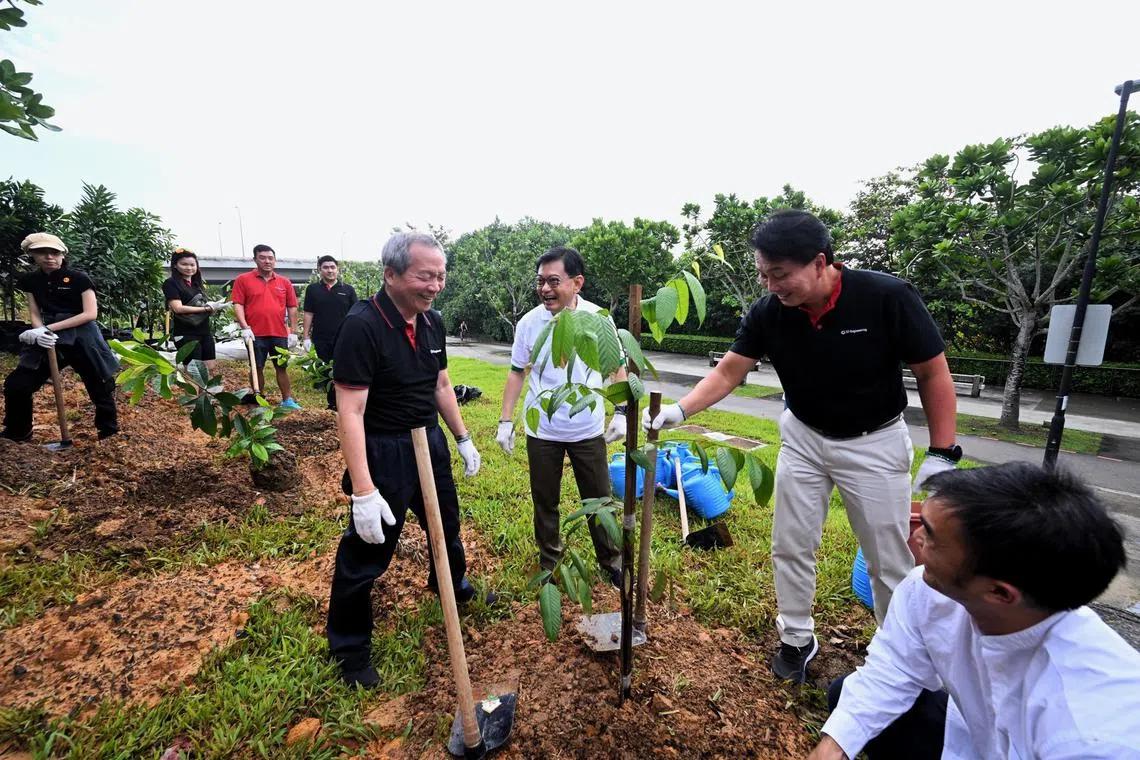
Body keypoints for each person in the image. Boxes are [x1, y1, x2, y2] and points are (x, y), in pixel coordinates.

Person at [644, 209, 960, 683]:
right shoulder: (770, 313)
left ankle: (898, 652)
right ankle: (796, 637)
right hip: (804, 440)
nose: (772, 285)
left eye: (780, 274)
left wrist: (943, 451)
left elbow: (932, 371)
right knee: (790, 545)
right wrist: (681, 410)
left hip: (873, 442)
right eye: (763, 274)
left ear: (819, 262)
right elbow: (730, 370)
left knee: (887, 557)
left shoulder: (886, 297)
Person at [808, 462, 1140, 760]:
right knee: (849, 702)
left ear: (998, 592)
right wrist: (831, 748)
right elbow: (894, 667)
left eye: (931, 535)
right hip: (973, 741)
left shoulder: (1091, 730)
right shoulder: (927, 590)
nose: (917, 537)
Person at [326, 231, 495, 688]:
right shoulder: (362, 326)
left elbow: (441, 385)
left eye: (440, 275)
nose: (436, 284)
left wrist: (462, 438)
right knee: (368, 552)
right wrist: (364, 489)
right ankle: (348, 647)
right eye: (425, 275)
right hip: (385, 449)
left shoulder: (433, 321)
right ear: (391, 274)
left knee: (447, 525)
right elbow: (351, 411)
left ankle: (451, 585)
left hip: (430, 442)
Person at [497, 246, 626, 587]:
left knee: (599, 500)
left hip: (587, 428)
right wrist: (506, 420)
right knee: (545, 501)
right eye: (540, 281)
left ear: (577, 282)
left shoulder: (598, 319)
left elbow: (615, 366)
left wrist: (622, 412)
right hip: (543, 431)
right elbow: (516, 372)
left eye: (553, 281)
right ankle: (550, 564)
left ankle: (612, 560)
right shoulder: (529, 323)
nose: (545, 289)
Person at [2, 232, 119, 442]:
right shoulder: (31, 281)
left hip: (82, 336)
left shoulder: (79, 279)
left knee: (100, 385)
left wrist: (50, 328)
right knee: (17, 384)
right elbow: (35, 311)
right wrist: (39, 332)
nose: (49, 257)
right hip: (48, 337)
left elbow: (90, 314)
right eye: (42, 253)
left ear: (63, 255)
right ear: (32, 255)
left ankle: (109, 434)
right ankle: (18, 432)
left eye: (54, 253)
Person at [230, 244, 302, 410]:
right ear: (255, 259)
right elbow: (238, 304)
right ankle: (259, 398)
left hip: (279, 333)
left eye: (270, 258)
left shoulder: (284, 282)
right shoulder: (243, 280)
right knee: (257, 367)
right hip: (255, 333)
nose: (267, 261)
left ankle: (287, 400)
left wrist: (293, 331)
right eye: (262, 258)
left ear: (275, 260)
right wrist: (244, 327)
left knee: (281, 367)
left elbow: (292, 307)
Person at [161, 248, 230, 375]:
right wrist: (206, 309)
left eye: (192, 265)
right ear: (175, 265)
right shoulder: (170, 283)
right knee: (193, 372)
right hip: (186, 333)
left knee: (210, 367)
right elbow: (178, 308)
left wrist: (213, 308)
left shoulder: (196, 284)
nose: (189, 268)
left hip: (204, 332)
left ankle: (206, 395)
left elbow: (201, 307)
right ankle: (193, 395)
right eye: (184, 264)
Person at [301, 254, 356, 409]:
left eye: (332, 267)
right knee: (325, 370)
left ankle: (343, 402)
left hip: (344, 338)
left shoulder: (347, 290)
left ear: (337, 269)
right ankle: (331, 402)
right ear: (320, 270)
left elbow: (356, 314)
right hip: (321, 338)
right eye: (326, 267)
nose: (330, 270)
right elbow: (308, 313)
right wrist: (305, 337)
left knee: (343, 370)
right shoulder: (313, 290)